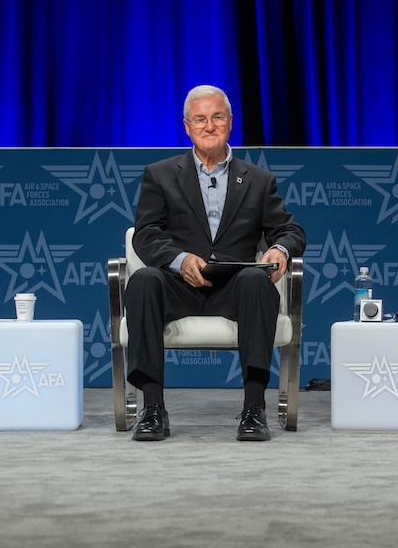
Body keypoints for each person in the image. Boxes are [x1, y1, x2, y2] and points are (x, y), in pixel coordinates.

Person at [125, 85, 306, 442]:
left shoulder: (258, 180)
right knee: (144, 280)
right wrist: (179, 259)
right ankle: (153, 409)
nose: (209, 126)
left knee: (257, 281)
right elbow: (145, 234)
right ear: (187, 127)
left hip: (234, 286)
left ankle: (254, 409)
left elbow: (289, 229)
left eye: (217, 117)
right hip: (178, 284)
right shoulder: (160, 175)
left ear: (230, 122)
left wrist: (280, 251)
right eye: (200, 119)